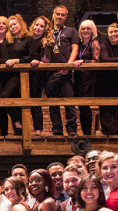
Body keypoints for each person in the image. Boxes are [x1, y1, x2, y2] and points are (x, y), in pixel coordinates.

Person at [46, 5, 79, 136]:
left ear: (66, 17)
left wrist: (68, 65)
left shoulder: (71, 31)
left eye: (63, 15)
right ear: (53, 15)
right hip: (50, 72)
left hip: (66, 72)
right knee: (53, 103)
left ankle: (71, 130)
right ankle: (57, 130)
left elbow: (75, 48)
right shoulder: (47, 32)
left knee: (69, 102)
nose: (60, 17)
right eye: (58, 14)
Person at [0, 14, 33, 136]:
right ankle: (18, 124)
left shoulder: (28, 39)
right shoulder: (9, 42)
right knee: (7, 98)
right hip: (10, 75)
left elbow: (32, 56)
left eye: (15, 24)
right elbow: (5, 58)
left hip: (23, 76)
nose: (13, 27)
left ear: (21, 24)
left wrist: (17, 60)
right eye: (10, 26)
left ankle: (19, 125)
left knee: (10, 98)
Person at [26, 16, 55, 136]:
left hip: (37, 75)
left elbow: (46, 60)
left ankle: (38, 131)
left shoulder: (45, 41)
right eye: (37, 25)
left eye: (42, 26)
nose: (38, 28)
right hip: (24, 73)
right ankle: (22, 130)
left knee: (35, 100)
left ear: (45, 29)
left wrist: (39, 61)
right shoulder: (27, 39)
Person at [72, 19, 99, 135]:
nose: (85, 31)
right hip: (78, 77)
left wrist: (83, 61)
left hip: (89, 78)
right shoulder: (79, 44)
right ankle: (84, 132)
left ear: (92, 30)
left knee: (86, 105)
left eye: (88, 28)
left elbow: (96, 61)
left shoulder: (94, 43)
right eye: (83, 28)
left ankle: (88, 133)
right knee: (81, 107)